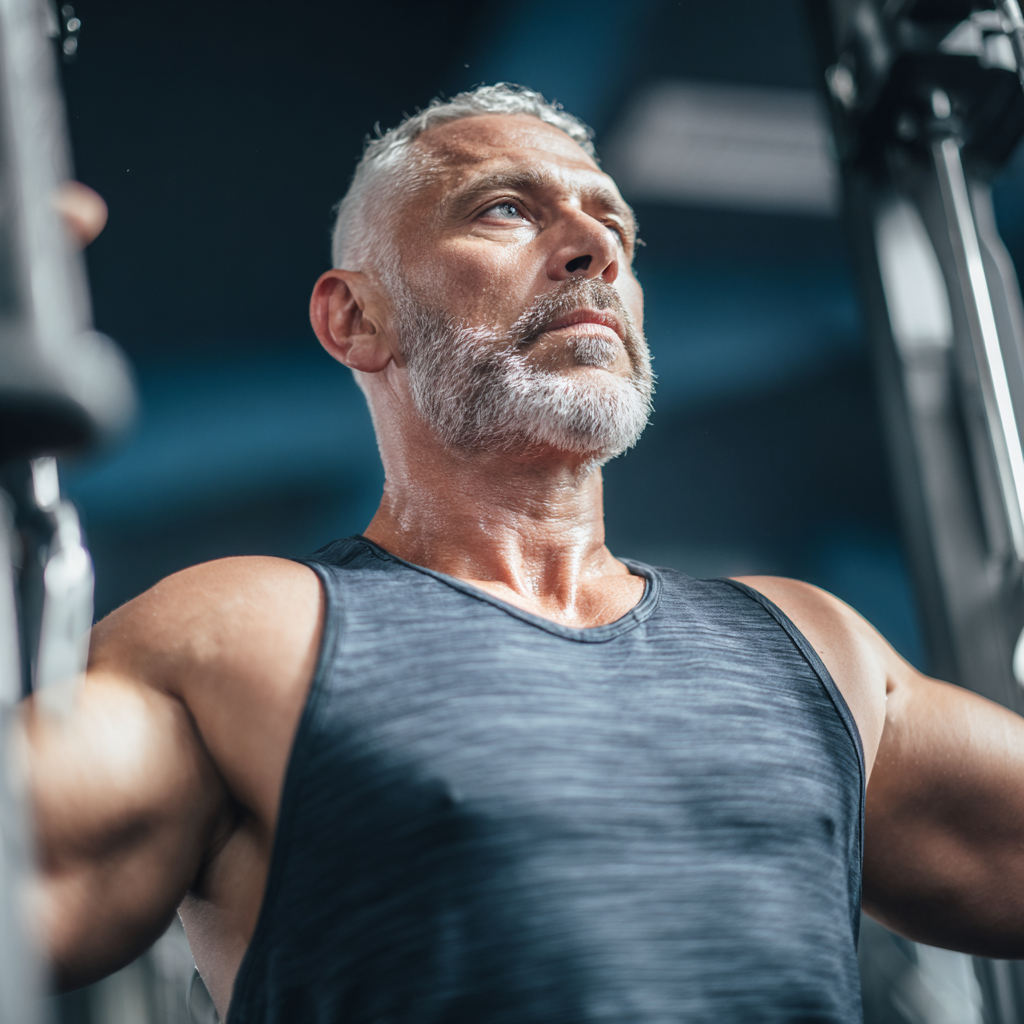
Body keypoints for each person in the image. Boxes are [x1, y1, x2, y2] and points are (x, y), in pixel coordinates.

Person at [25, 83, 1024, 1023]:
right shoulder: (247, 635)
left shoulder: (811, 649)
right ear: (354, 316)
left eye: (615, 227)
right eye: (506, 209)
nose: (594, 245)